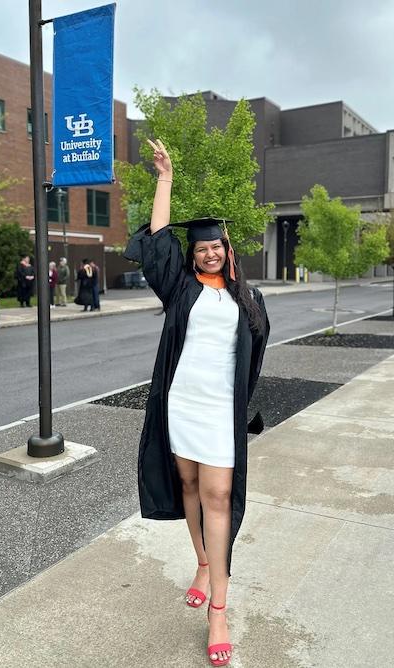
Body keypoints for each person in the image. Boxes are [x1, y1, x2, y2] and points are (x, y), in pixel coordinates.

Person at [124, 139, 270, 667]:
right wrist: (165, 178)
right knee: (188, 484)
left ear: (229, 249)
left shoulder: (248, 301)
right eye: (201, 247)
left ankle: (219, 612)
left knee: (219, 495)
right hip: (180, 404)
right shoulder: (181, 289)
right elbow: (158, 239)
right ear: (194, 253)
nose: (209, 251)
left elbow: (251, 364)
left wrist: (241, 409)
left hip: (219, 412)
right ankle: (203, 563)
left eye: (217, 246)